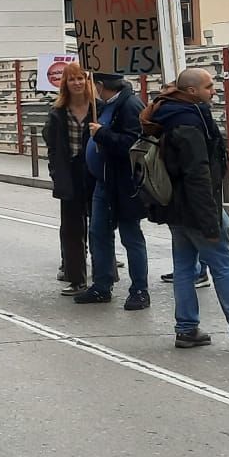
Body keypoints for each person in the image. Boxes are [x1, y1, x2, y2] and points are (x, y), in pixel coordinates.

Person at [144, 69, 229, 352]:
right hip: (196, 208)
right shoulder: (189, 121)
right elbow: (198, 174)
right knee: (223, 266)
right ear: (192, 91)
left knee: (183, 268)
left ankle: (187, 329)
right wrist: (210, 223)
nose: (214, 91)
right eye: (209, 86)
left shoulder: (171, 114)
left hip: (174, 207)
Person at [79, 72, 151, 310]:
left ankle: (140, 290)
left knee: (131, 236)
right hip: (104, 182)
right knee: (98, 233)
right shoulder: (105, 105)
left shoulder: (130, 105)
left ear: (100, 85)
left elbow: (134, 144)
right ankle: (101, 285)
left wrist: (102, 134)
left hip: (124, 184)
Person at [44, 63, 95, 296]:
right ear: (65, 84)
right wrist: (57, 174)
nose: (77, 83)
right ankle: (76, 278)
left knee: (99, 227)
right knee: (72, 229)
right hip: (70, 172)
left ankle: (105, 275)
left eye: (80, 78)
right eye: (72, 79)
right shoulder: (58, 113)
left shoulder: (98, 108)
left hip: (95, 171)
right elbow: (53, 147)